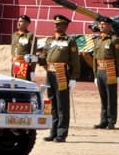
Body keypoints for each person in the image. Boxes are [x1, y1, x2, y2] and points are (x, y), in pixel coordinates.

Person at [39, 14, 80, 143]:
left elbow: (75, 60)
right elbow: (44, 56)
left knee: (62, 104)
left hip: (62, 73)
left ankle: (61, 133)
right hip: (50, 73)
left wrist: (73, 77)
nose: (56, 26)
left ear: (65, 26)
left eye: (59, 24)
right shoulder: (50, 40)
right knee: (51, 104)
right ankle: (52, 131)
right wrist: (36, 58)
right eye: (55, 24)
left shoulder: (69, 41)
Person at [93, 16, 119, 130]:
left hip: (110, 70)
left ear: (109, 26)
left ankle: (111, 121)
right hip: (100, 70)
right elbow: (95, 58)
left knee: (111, 97)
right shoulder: (98, 40)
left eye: (104, 24)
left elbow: (118, 59)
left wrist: (118, 74)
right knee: (103, 97)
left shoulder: (114, 39)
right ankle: (103, 120)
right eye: (100, 24)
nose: (101, 26)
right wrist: (95, 74)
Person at [11, 15, 36, 80]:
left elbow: (33, 55)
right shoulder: (14, 35)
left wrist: (32, 71)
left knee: (21, 84)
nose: (18, 23)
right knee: (14, 82)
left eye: (21, 21)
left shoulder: (30, 36)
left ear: (27, 23)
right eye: (18, 21)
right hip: (14, 63)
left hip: (23, 64)